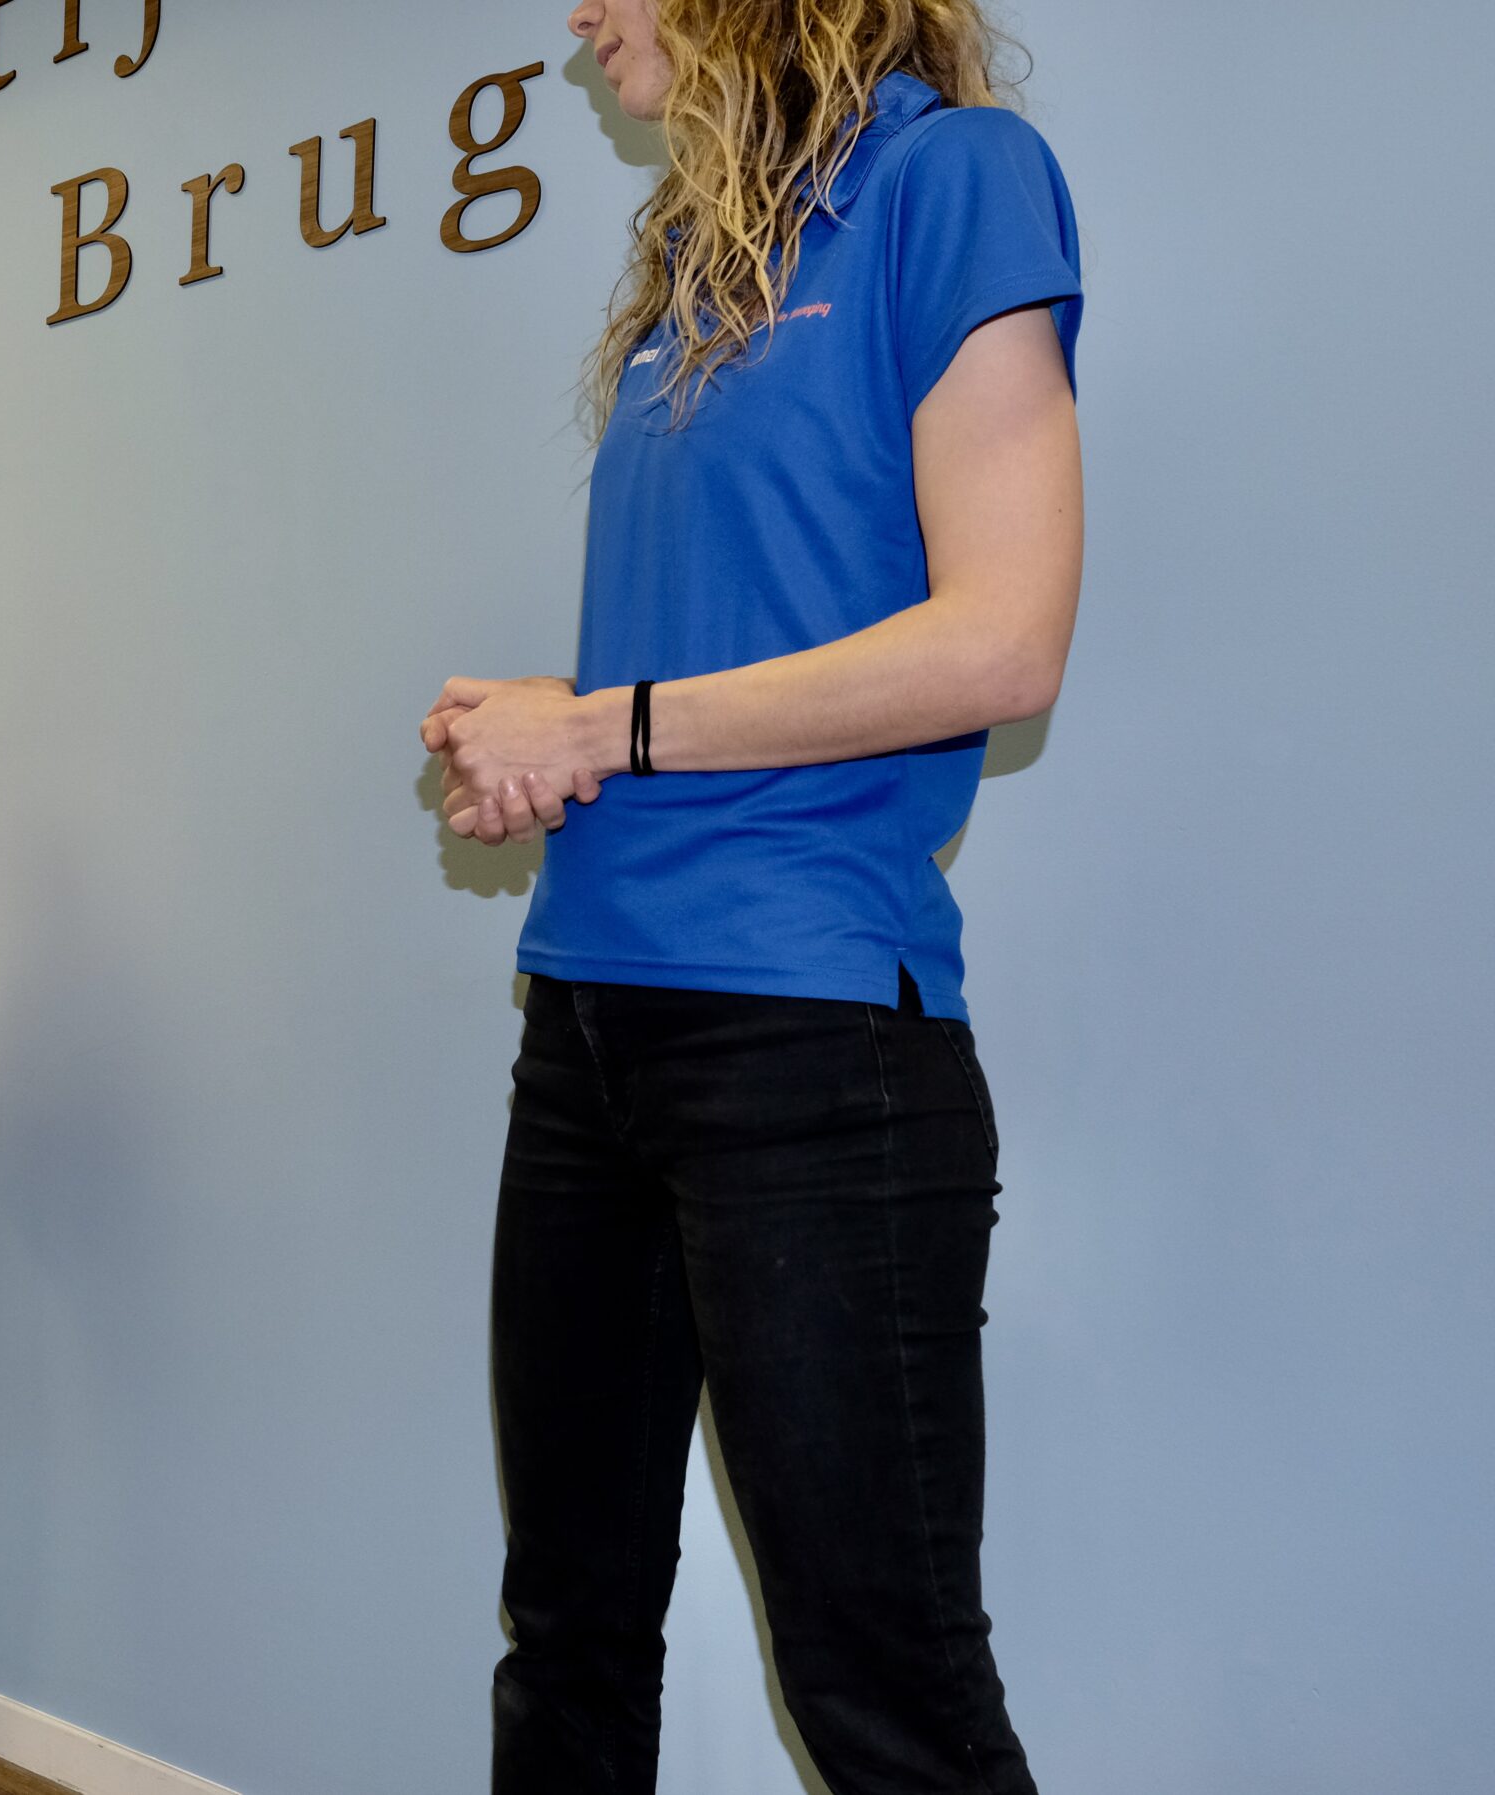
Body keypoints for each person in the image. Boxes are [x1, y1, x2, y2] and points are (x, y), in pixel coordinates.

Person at [421, 2, 1083, 1790]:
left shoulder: (951, 176)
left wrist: (600, 727)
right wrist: (549, 734)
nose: (580, 15)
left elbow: (1002, 642)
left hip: (810, 1044)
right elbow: (732, 646)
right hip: (586, 1022)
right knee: (566, 1636)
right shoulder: (698, 257)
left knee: (885, 1695)